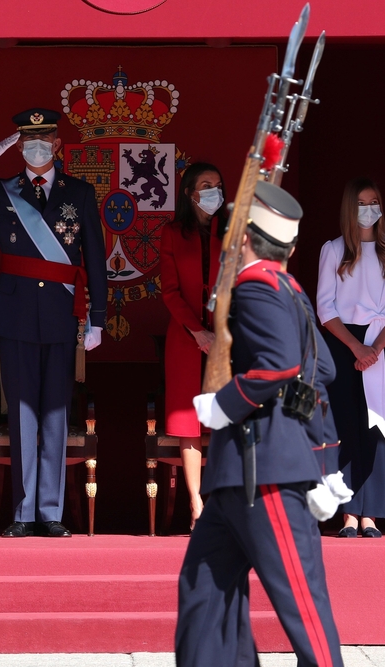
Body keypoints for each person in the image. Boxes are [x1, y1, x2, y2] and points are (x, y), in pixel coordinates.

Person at [175, 181, 347, 667]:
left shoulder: (255, 286)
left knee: (302, 606)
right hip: (240, 475)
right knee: (204, 599)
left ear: (244, 237)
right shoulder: (287, 287)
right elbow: (323, 369)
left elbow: (277, 364)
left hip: (263, 471)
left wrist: (223, 405)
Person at [0, 107, 108, 538]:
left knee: (54, 411)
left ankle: (50, 512)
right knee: (22, 415)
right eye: (26, 140)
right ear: (18, 146)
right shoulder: (2, 191)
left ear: (56, 145)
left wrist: (98, 320)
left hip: (60, 313)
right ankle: (23, 511)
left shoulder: (80, 193)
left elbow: (95, 260)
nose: (35, 147)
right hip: (14, 316)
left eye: (43, 139)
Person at [316, 177, 385, 539]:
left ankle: (370, 513)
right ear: (349, 209)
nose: (369, 209)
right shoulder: (333, 250)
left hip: (378, 340)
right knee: (344, 426)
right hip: (343, 343)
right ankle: (348, 513)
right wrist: (356, 348)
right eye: (362, 203)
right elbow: (325, 307)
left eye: (375, 202)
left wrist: (375, 348)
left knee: (373, 425)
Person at [158, 162, 227, 530]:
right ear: (190, 192)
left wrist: (221, 333)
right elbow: (169, 292)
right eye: (205, 185)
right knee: (188, 424)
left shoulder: (231, 231)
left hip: (224, 340)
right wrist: (198, 332)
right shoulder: (172, 234)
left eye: (217, 185)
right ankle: (197, 504)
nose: (213, 191)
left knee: (221, 422)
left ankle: (218, 501)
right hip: (186, 340)